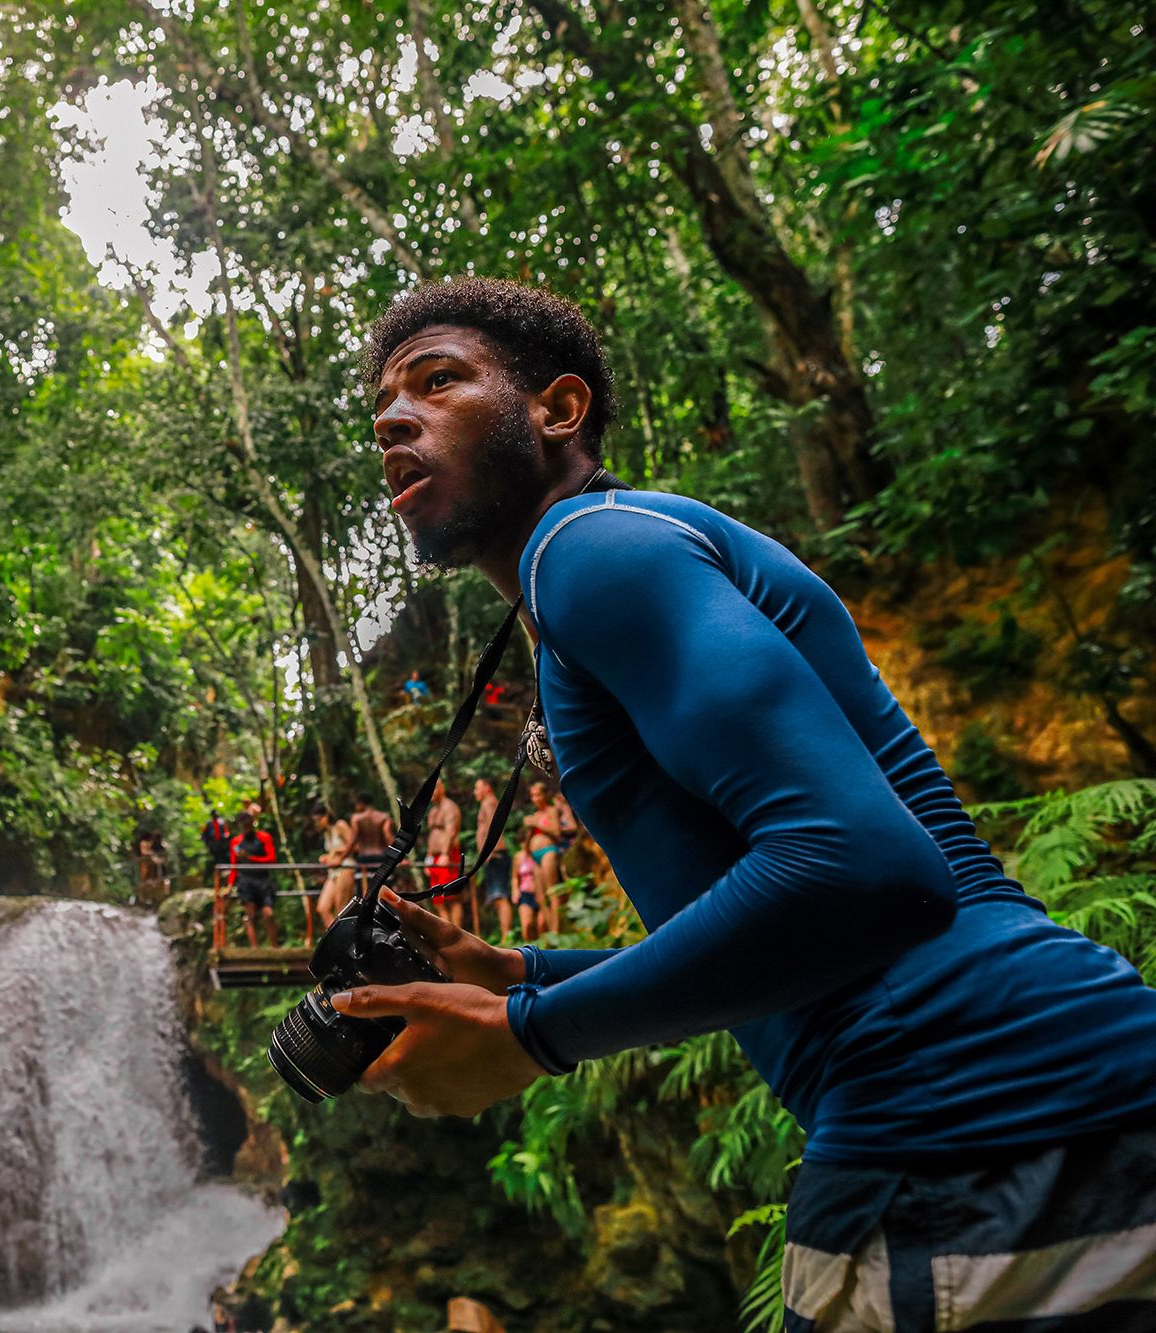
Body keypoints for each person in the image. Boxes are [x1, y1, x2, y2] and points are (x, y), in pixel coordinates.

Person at [333, 276, 1156, 1330]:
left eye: (436, 381)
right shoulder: (618, 554)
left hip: (960, 1123)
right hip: (1058, 1092)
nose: (393, 418)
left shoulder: (588, 551)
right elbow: (811, 935)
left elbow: (864, 871)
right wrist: (525, 975)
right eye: (383, 408)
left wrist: (529, 1034)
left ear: (556, 410)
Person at [521, 779, 579, 934]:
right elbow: (527, 845)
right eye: (533, 796)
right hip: (535, 855)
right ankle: (549, 934)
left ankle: (557, 930)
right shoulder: (535, 814)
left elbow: (556, 832)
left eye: (538, 795)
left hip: (548, 851)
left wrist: (536, 824)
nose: (536, 799)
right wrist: (529, 834)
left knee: (552, 891)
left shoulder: (551, 811)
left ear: (545, 795)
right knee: (541, 896)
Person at [225, 810, 278, 948]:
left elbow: (272, 859)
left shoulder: (264, 837)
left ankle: (275, 947)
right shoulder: (236, 842)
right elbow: (233, 866)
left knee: (268, 914)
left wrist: (250, 858)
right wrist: (229, 886)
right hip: (246, 881)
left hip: (263, 880)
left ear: (252, 824)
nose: (246, 829)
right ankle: (255, 948)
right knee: (250, 916)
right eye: (243, 826)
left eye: (248, 825)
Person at [473, 775, 513, 940]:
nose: (474, 792)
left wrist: (489, 851)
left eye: (477, 788)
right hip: (493, 855)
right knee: (497, 898)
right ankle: (506, 936)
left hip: (495, 854)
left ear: (487, 788)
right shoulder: (487, 803)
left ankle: (507, 937)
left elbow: (493, 825)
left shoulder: (489, 802)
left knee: (500, 896)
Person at [424, 778, 467, 929]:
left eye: (435, 788)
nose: (432, 793)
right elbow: (432, 835)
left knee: (451, 897)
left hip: (448, 856)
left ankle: (457, 932)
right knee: (437, 898)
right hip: (435, 859)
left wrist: (445, 853)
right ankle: (447, 930)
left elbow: (451, 831)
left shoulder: (450, 807)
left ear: (442, 788)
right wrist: (429, 858)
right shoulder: (433, 811)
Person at [312, 801, 356, 926]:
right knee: (322, 908)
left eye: (319, 819)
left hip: (345, 866)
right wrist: (327, 857)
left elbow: (354, 845)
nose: (317, 823)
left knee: (340, 908)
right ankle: (336, 939)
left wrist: (339, 855)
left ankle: (345, 941)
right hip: (333, 872)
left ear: (326, 816)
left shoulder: (340, 825)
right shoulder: (327, 832)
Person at [348, 792, 392, 900]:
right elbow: (388, 837)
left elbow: (352, 840)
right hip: (381, 859)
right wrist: (399, 857)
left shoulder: (356, 818)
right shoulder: (383, 817)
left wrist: (340, 858)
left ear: (361, 804)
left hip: (364, 860)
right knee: (385, 895)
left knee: (363, 896)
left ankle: (366, 917)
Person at [198, 807, 230, 887]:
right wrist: (208, 844)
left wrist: (226, 838)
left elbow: (226, 832)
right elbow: (204, 834)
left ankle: (224, 879)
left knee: (223, 860)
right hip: (213, 845)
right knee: (215, 861)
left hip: (222, 844)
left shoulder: (222, 822)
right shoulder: (209, 823)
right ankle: (214, 879)